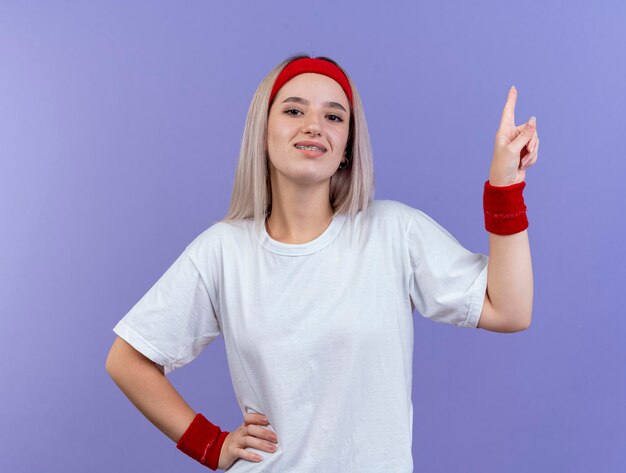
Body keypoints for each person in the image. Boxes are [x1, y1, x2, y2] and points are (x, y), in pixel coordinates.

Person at [105, 54, 537, 472]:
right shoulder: (223, 251)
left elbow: (509, 309)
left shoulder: (393, 232)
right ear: (263, 131)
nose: (314, 125)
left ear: (347, 147)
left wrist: (505, 185)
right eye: (294, 110)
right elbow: (127, 360)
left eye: (334, 116)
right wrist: (211, 445)